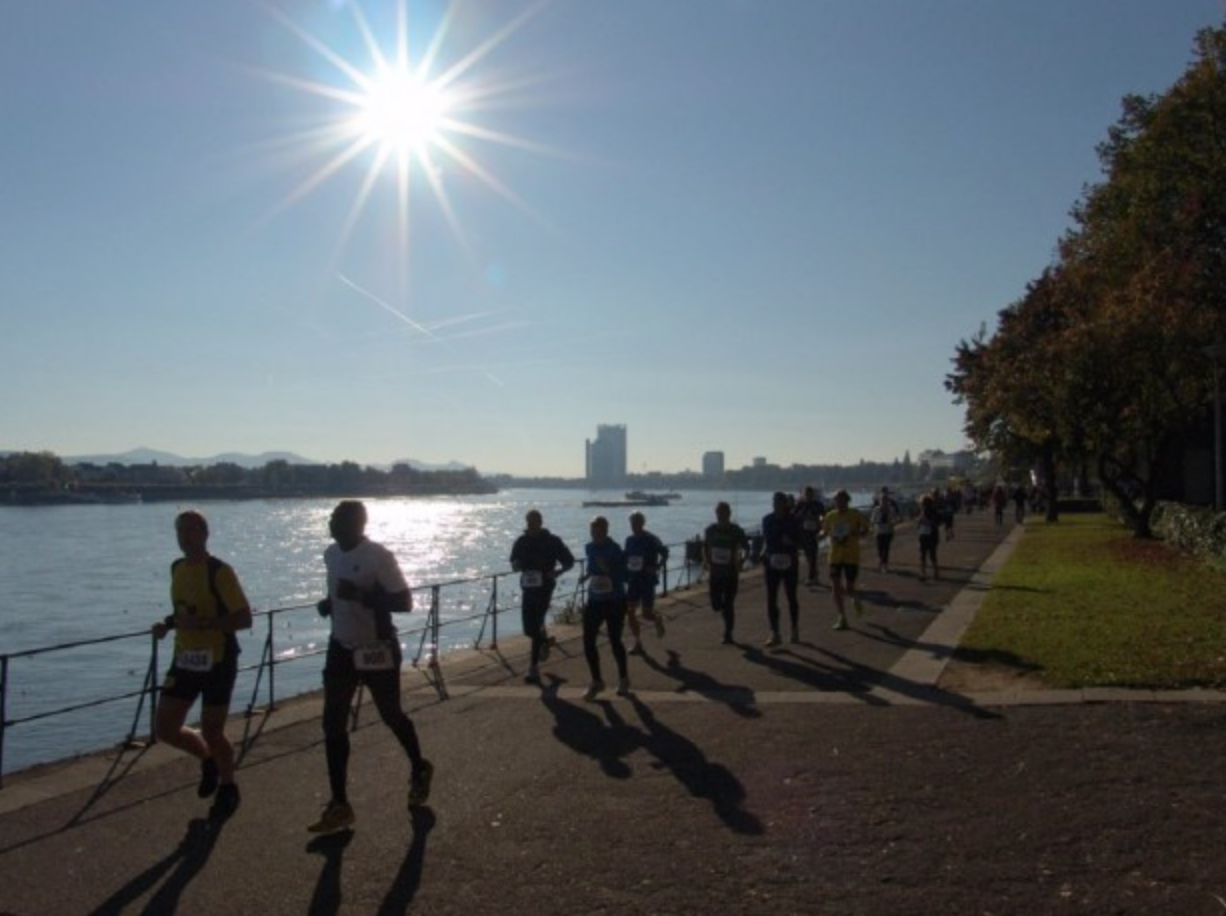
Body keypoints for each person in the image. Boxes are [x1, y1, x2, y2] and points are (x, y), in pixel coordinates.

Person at [308, 500, 433, 834]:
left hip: (377, 648)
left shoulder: (378, 556)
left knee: (391, 713)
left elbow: (404, 602)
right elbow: (337, 593)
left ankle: (419, 767)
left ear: (357, 524)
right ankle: (340, 804)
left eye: (337, 519)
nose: (331, 523)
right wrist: (330, 603)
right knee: (332, 723)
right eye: (331, 518)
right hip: (341, 647)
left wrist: (362, 597)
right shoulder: (331, 554)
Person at [152, 510, 253, 819]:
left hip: (218, 660)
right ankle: (207, 759)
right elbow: (183, 611)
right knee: (165, 728)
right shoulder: (176, 568)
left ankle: (228, 787)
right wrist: (168, 624)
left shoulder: (219, 571)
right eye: (180, 531)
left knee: (212, 728)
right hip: (184, 659)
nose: (185, 537)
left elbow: (244, 618)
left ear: (205, 533)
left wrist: (204, 624)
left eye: (191, 531)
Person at [509, 509, 575, 684]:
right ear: (526, 523)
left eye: (535, 522)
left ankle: (533, 669)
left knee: (537, 623)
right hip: (528, 589)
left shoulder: (552, 541)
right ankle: (544, 641)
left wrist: (558, 572)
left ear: (541, 522)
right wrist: (515, 565)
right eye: (529, 523)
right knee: (528, 630)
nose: (532, 526)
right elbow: (514, 564)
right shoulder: (521, 541)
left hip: (545, 588)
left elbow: (569, 561)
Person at [581, 516, 631, 700]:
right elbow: (592, 568)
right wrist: (586, 576)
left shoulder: (616, 549)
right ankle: (596, 681)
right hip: (594, 599)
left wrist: (610, 569)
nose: (595, 536)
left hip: (614, 600)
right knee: (587, 641)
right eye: (593, 532)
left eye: (599, 532)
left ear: (606, 531)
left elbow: (625, 576)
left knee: (614, 640)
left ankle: (624, 679)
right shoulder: (590, 547)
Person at [703, 502, 751, 645]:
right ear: (716, 513)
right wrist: (707, 561)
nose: (721, 516)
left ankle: (728, 633)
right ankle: (724, 615)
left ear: (729, 514)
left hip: (731, 573)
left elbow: (747, 548)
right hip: (715, 574)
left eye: (724, 513)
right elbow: (705, 546)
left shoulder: (736, 530)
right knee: (716, 605)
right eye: (719, 513)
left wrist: (742, 562)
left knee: (728, 604)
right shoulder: (710, 530)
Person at [623, 511, 669, 655]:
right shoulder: (629, 540)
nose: (634, 525)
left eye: (637, 522)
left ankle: (657, 619)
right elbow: (626, 557)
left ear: (643, 523)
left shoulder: (651, 539)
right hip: (633, 580)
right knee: (629, 611)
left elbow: (665, 552)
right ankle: (638, 643)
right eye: (632, 522)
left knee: (646, 614)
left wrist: (657, 566)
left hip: (647, 580)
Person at [822, 489, 869, 630]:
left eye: (842, 500)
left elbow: (866, 530)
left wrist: (857, 532)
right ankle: (842, 617)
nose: (839, 503)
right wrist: (819, 534)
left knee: (848, 588)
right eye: (836, 501)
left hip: (851, 555)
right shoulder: (830, 516)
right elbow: (824, 531)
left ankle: (855, 599)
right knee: (835, 587)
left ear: (847, 501)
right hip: (835, 556)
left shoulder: (855, 514)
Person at [761, 491, 803, 646]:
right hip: (772, 563)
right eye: (774, 502)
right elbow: (767, 539)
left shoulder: (794, 520)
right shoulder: (767, 520)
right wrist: (764, 552)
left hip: (789, 563)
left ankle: (794, 629)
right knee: (771, 599)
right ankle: (774, 632)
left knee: (791, 597)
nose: (776, 505)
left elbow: (801, 542)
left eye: (779, 502)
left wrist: (791, 542)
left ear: (785, 504)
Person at [793, 485, 826, 586]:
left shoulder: (818, 505)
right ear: (803, 494)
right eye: (806, 494)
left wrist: (821, 528)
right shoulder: (800, 504)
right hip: (803, 533)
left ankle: (812, 577)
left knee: (813, 555)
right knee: (808, 555)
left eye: (810, 494)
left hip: (814, 533)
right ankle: (814, 574)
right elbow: (794, 517)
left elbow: (824, 516)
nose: (808, 496)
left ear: (812, 495)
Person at [869, 486, 901, 573]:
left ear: (888, 501)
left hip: (888, 531)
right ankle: (881, 562)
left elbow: (896, 519)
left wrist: (893, 523)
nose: (884, 502)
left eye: (886, 500)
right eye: (882, 500)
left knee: (886, 548)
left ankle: (885, 565)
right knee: (880, 548)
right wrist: (872, 528)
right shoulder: (876, 510)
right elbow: (872, 520)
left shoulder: (891, 509)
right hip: (879, 531)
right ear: (880, 501)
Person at [917, 493, 942, 581]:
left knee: (927, 555)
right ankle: (929, 573)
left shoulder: (932, 512)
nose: (921, 505)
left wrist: (928, 522)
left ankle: (928, 573)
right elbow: (919, 525)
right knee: (927, 555)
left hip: (929, 535)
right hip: (926, 535)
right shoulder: (924, 512)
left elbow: (937, 523)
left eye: (922, 503)